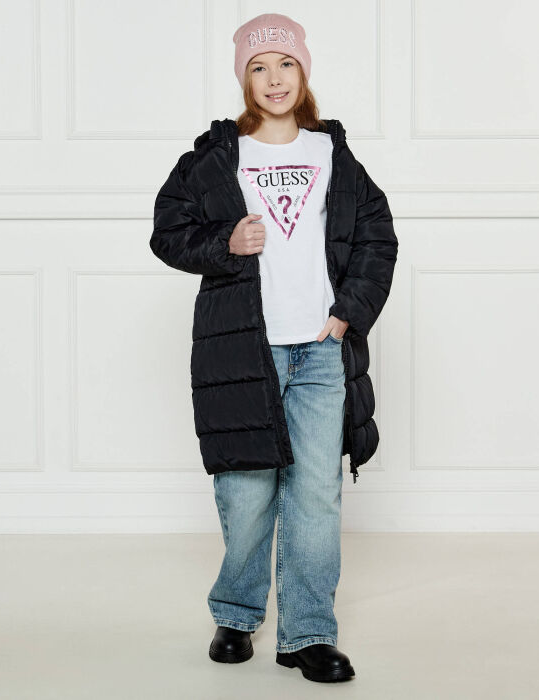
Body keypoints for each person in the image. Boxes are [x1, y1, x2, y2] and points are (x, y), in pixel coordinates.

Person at [150, 12, 398, 684]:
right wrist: (224, 243)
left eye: (285, 63)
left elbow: (377, 239)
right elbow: (167, 233)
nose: (274, 78)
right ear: (245, 80)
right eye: (258, 67)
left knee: (316, 495)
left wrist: (346, 316)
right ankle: (236, 615)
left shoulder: (332, 155)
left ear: (303, 71)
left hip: (318, 352)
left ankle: (308, 634)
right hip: (244, 350)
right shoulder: (215, 158)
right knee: (247, 492)